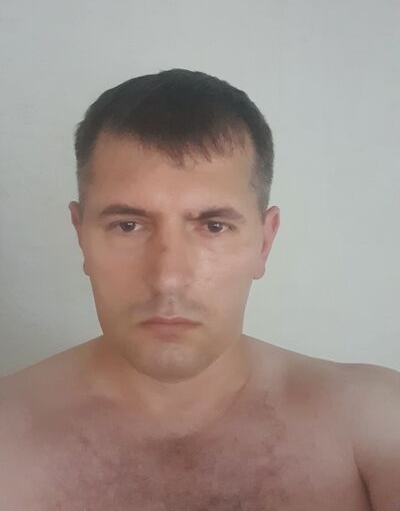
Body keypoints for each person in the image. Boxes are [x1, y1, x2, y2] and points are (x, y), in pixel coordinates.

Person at [0, 68, 398, 510]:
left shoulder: (376, 422)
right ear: (81, 237)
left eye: (213, 226)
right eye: (128, 225)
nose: (168, 277)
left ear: (264, 242)